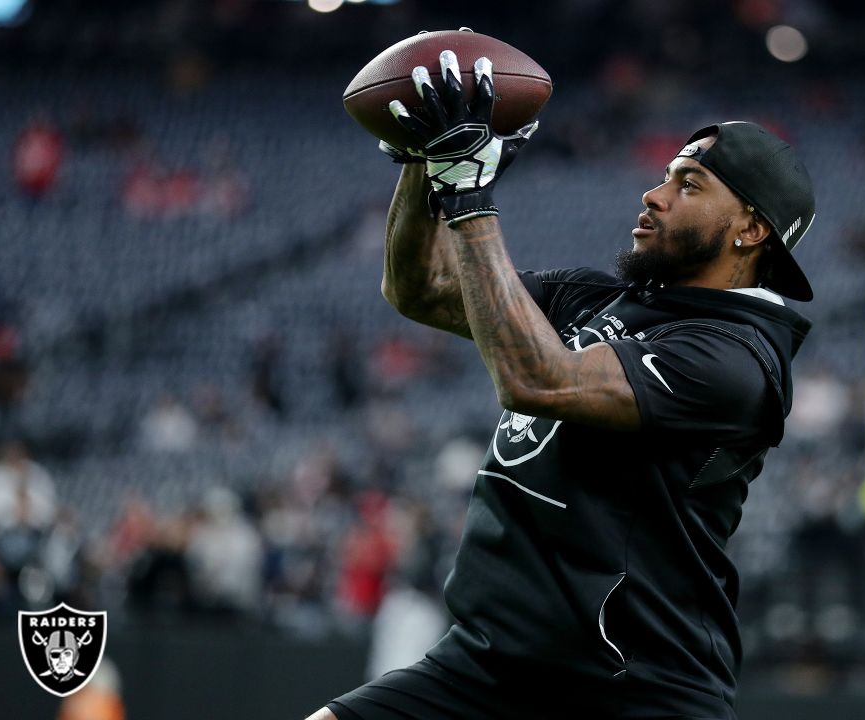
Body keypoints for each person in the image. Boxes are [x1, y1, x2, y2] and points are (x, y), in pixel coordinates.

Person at [311, 43, 814, 720]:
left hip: (629, 687)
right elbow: (421, 289)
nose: (654, 194)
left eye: (688, 185)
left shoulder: (736, 358)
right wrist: (426, 167)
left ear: (750, 229)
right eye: (666, 174)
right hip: (486, 664)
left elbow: (537, 382)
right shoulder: (598, 297)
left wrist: (468, 197)